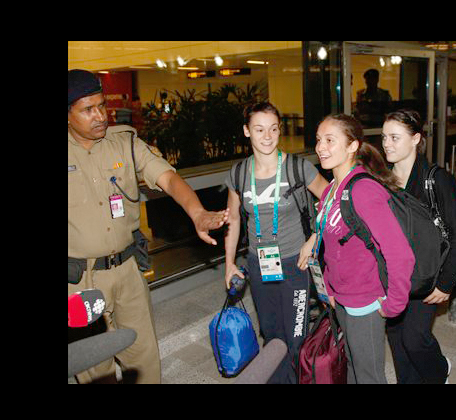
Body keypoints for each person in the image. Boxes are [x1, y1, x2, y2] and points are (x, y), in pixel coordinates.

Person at [68, 69, 229, 384]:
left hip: (127, 271)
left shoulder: (124, 142)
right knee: (92, 365)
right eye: (88, 110)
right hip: (79, 281)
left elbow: (167, 177)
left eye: (102, 105)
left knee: (143, 358)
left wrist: (196, 213)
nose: (100, 115)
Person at [298, 113, 415, 384]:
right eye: (318, 140)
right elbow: (332, 245)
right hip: (341, 298)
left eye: (330, 140)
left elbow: (400, 253)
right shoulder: (330, 191)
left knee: (369, 375)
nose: (321, 147)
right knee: (351, 364)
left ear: (352, 146)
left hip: (366, 301)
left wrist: (394, 303)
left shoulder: (364, 190)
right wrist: (329, 288)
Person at [223, 102, 328, 384]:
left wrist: (314, 238)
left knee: (296, 336)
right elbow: (233, 221)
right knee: (271, 333)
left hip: (296, 263)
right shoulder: (239, 174)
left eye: (273, 129)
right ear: (247, 131)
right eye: (259, 129)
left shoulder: (297, 168)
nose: (267, 136)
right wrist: (229, 264)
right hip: (258, 265)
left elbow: (332, 198)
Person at [380, 109, 456, 383]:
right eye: (384, 137)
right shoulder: (381, 179)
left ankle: (439, 370)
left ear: (416, 139)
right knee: (397, 339)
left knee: (415, 339)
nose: (386, 144)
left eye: (395, 137)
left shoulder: (436, 178)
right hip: (393, 274)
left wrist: (445, 284)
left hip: (428, 275)